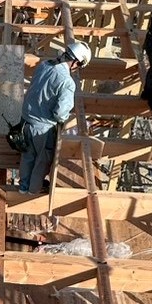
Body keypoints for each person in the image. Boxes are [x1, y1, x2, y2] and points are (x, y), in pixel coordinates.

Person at [17, 41, 91, 194]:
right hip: (42, 129)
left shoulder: (44, 65)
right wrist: (63, 122)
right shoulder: (67, 82)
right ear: (76, 62)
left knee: (27, 155)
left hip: (25, 121)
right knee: (41, 161)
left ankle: (23, 187)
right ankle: (33, 191)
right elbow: (60, 113)